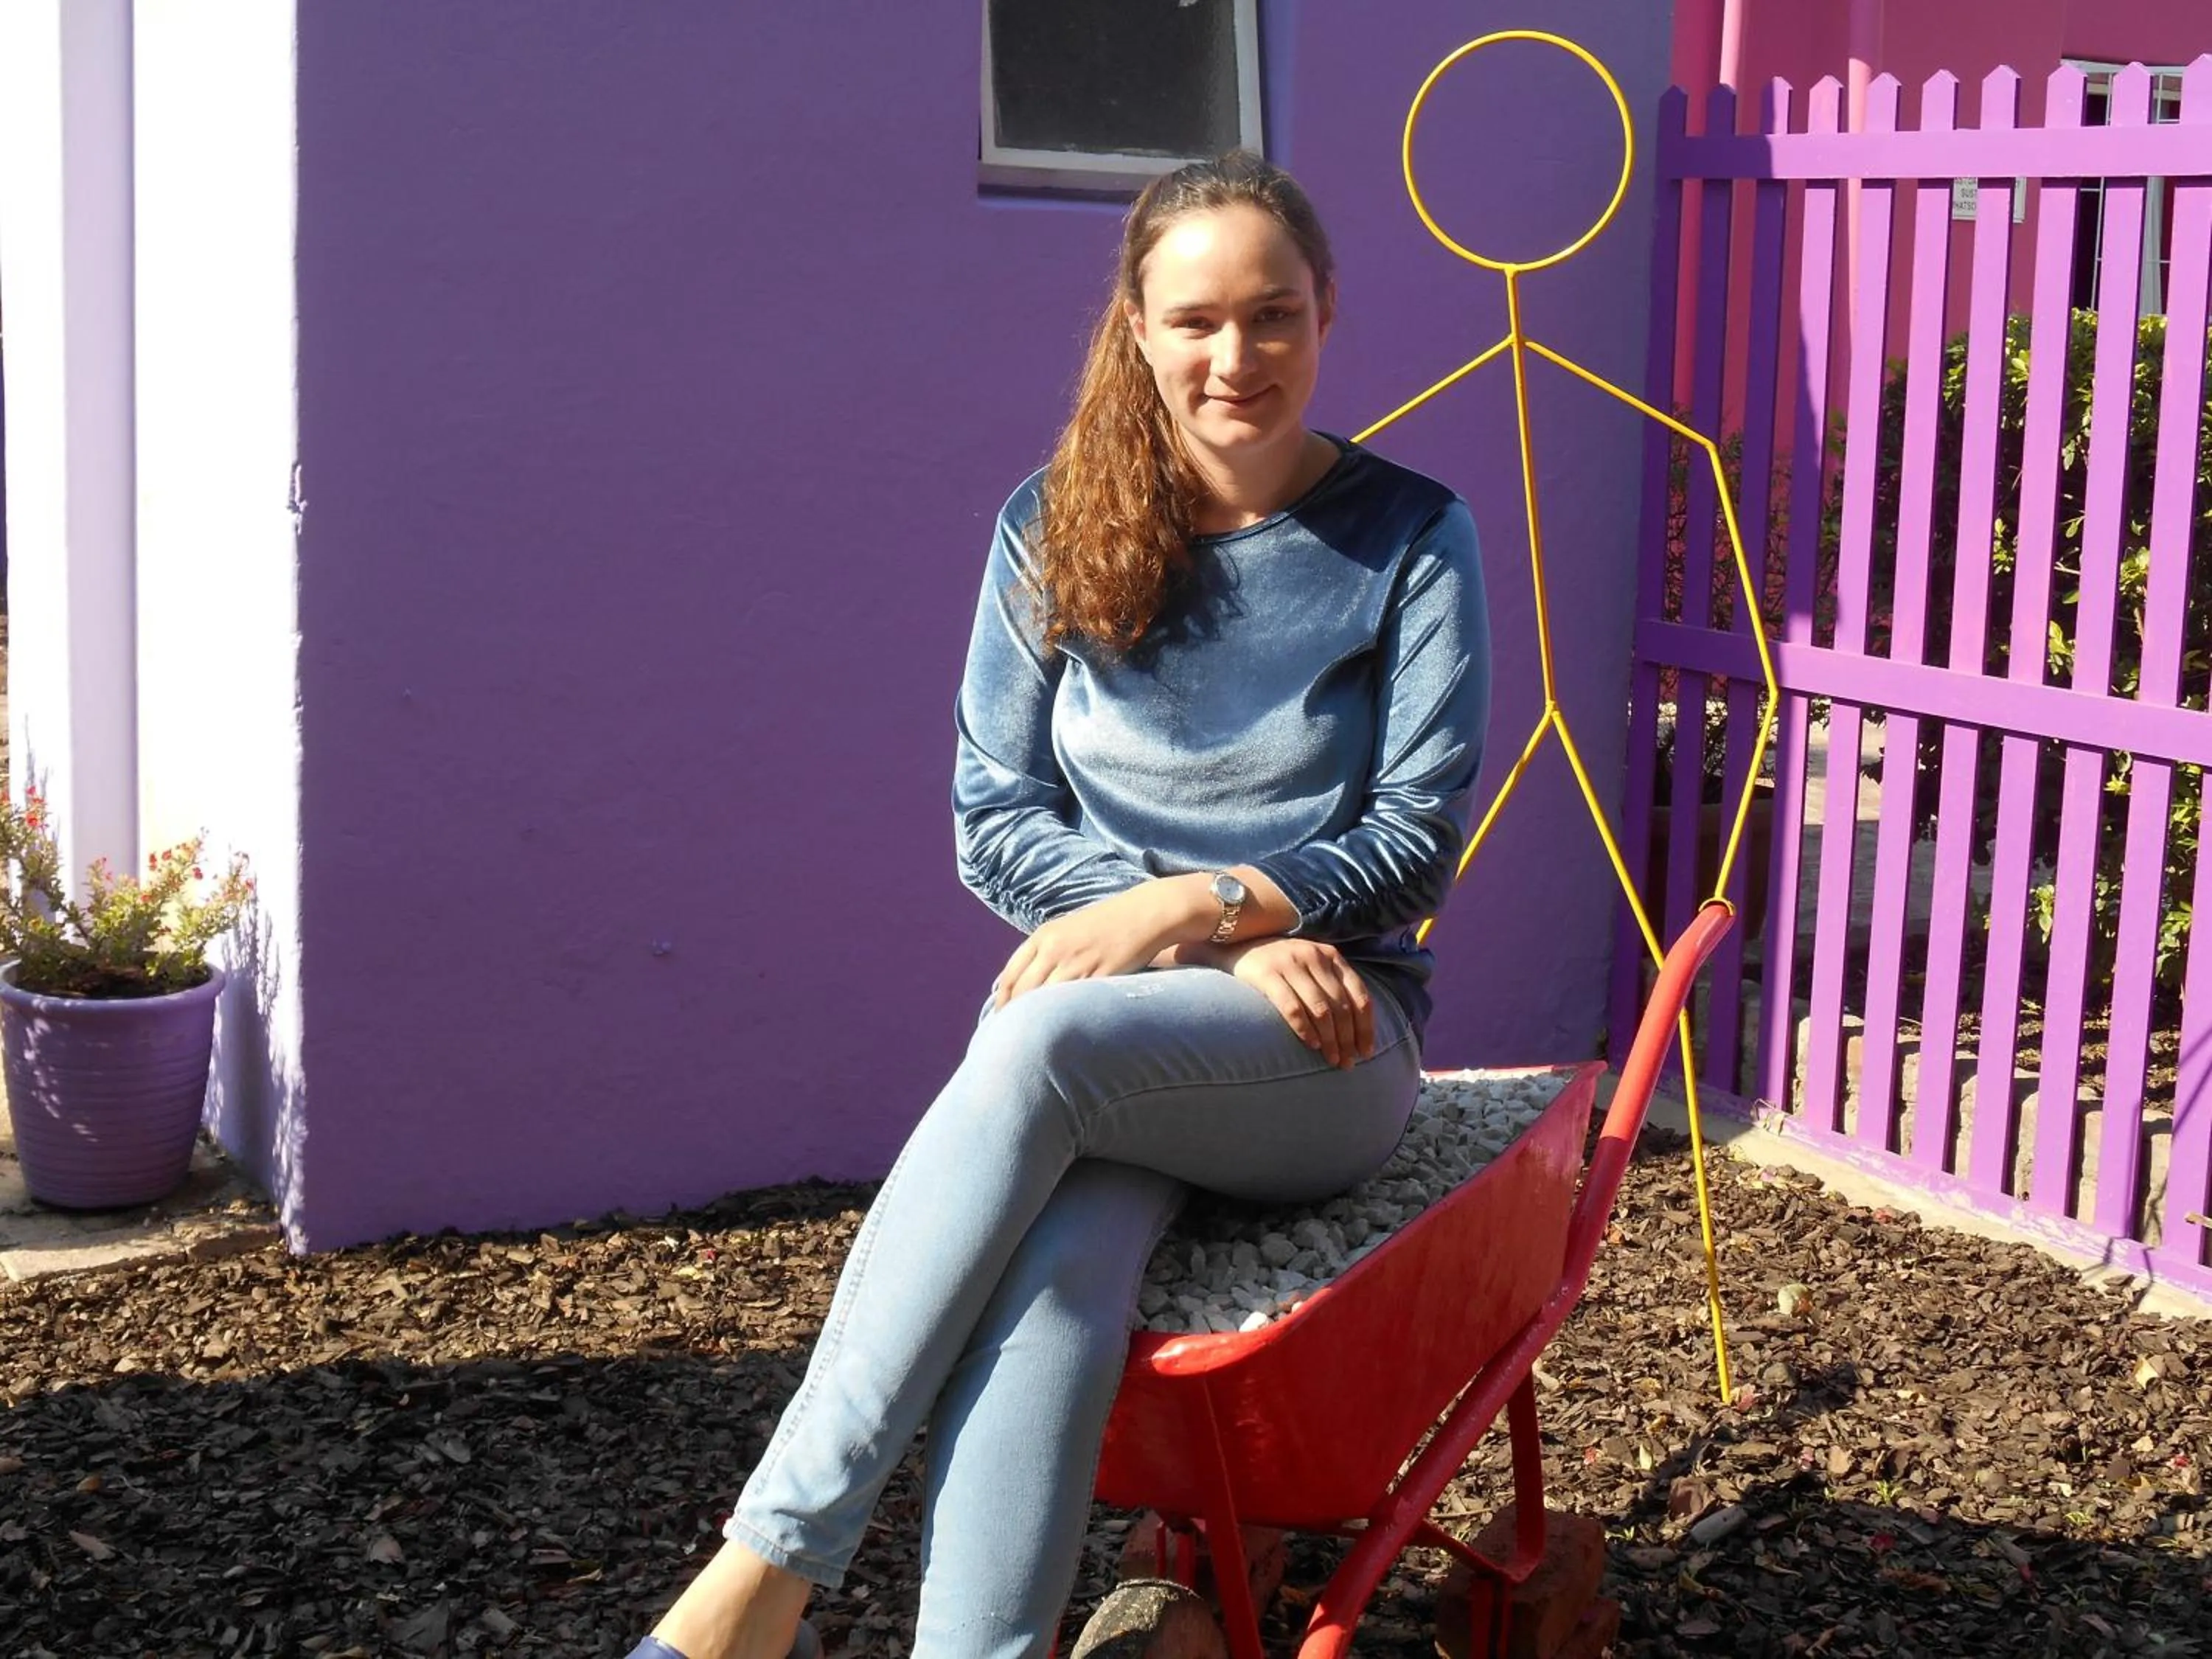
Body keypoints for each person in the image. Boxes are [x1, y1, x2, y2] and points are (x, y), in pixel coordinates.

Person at [627, 150, 1490, 1659]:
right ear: (1139, 328)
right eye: (1199, 320)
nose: (1238, 359)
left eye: (1275, 315)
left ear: (1330, 313)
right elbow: (994, 822)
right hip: (1132, 1026)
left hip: (1324, 1041)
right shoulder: (1053, 526)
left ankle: (761, 1575)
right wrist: (1222, 929)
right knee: (1061, 1282)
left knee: (1031, 1054)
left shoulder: (1409, 536)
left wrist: (1198, 910)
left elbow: (1417, 835)